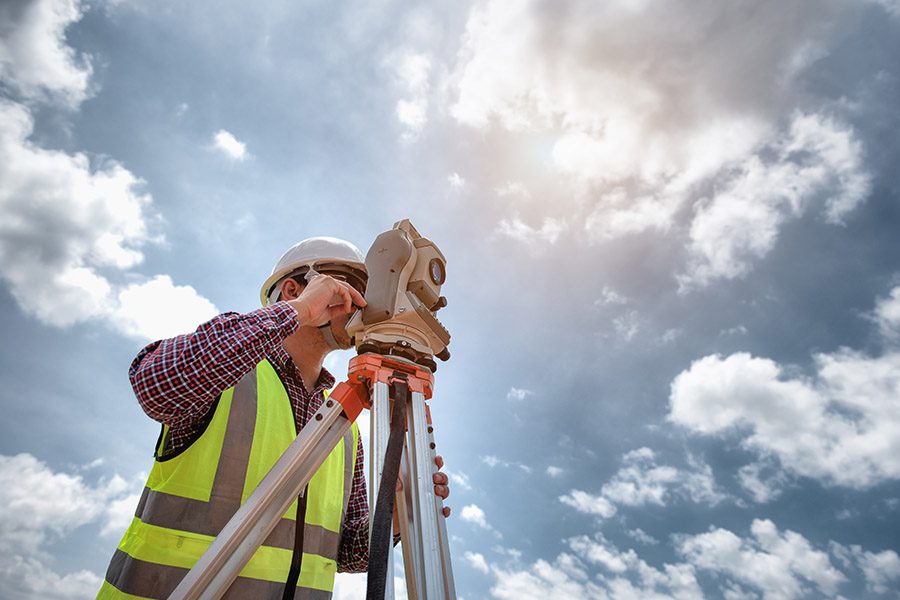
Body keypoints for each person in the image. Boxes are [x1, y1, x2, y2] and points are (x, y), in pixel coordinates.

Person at [97, 237, 451, 599]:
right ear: (292, 288)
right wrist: (297, 311)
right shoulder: (228, 375)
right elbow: (157, 383)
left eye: (367, 289)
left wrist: (395, 515)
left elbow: (346, 552)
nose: (360, 301)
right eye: (346, 285)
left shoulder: (344, 427)